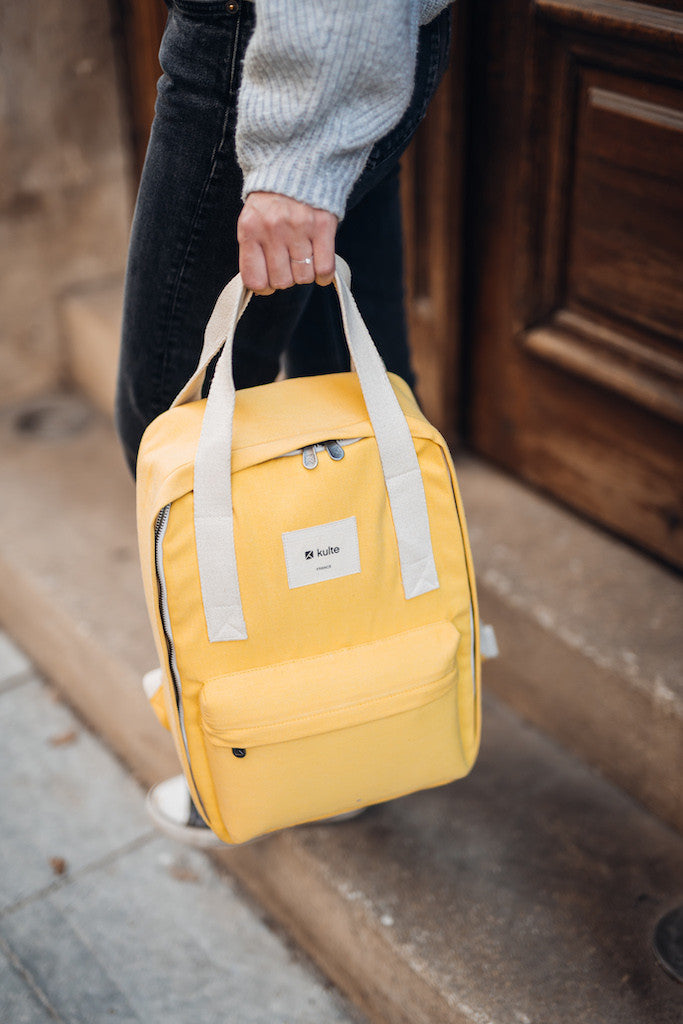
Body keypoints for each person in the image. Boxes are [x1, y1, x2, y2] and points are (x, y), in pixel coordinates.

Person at [116, 0, 453, 845]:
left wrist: (296, 158)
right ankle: (365, 720)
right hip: (350, 44)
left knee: (172, 417)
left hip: (274, 52)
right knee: (355, 391)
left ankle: (284, 747)